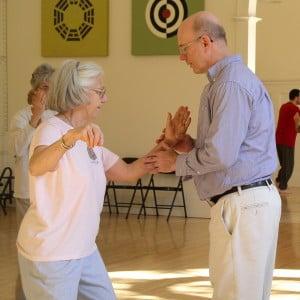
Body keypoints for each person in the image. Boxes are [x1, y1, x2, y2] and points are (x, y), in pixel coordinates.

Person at [16, 60, 189, 300]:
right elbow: (36, 165)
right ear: (78, 92)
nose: (105, 99)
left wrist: (167, 143)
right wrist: (70, 138)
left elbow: (129, 171)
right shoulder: (50, 129)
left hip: (84, 249)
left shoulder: (90, 136)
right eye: (100, 92)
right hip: (52, 254)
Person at [146, 11, 281, 300]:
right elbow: (226, 149)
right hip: (245, 202)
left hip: (243, 203)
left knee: (235, 294)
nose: (182, 58)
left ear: (205, 41)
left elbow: (221, 155)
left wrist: (176, 163)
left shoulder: (229, 85)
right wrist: (184, 143)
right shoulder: (225, 82)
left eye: (184, 49)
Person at [9, 63, 56, 300]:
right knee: (26, 251)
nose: (47, 93)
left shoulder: (55, 117)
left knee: (49, 252)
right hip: (26, 194)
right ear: (35, 89)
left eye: (50, 87)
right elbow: (17, 149)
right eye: (44, 87)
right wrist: (34, 118)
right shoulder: (20, 117)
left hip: (52, 195)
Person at [275, 88, 300, 193]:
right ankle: (282, 187)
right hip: (287, 141)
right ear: (296, 97)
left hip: (278, 140)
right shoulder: (295, 109)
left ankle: (279, 180)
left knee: (285, 165)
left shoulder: (283, 106)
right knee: (289, 166)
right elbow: (297, 126)